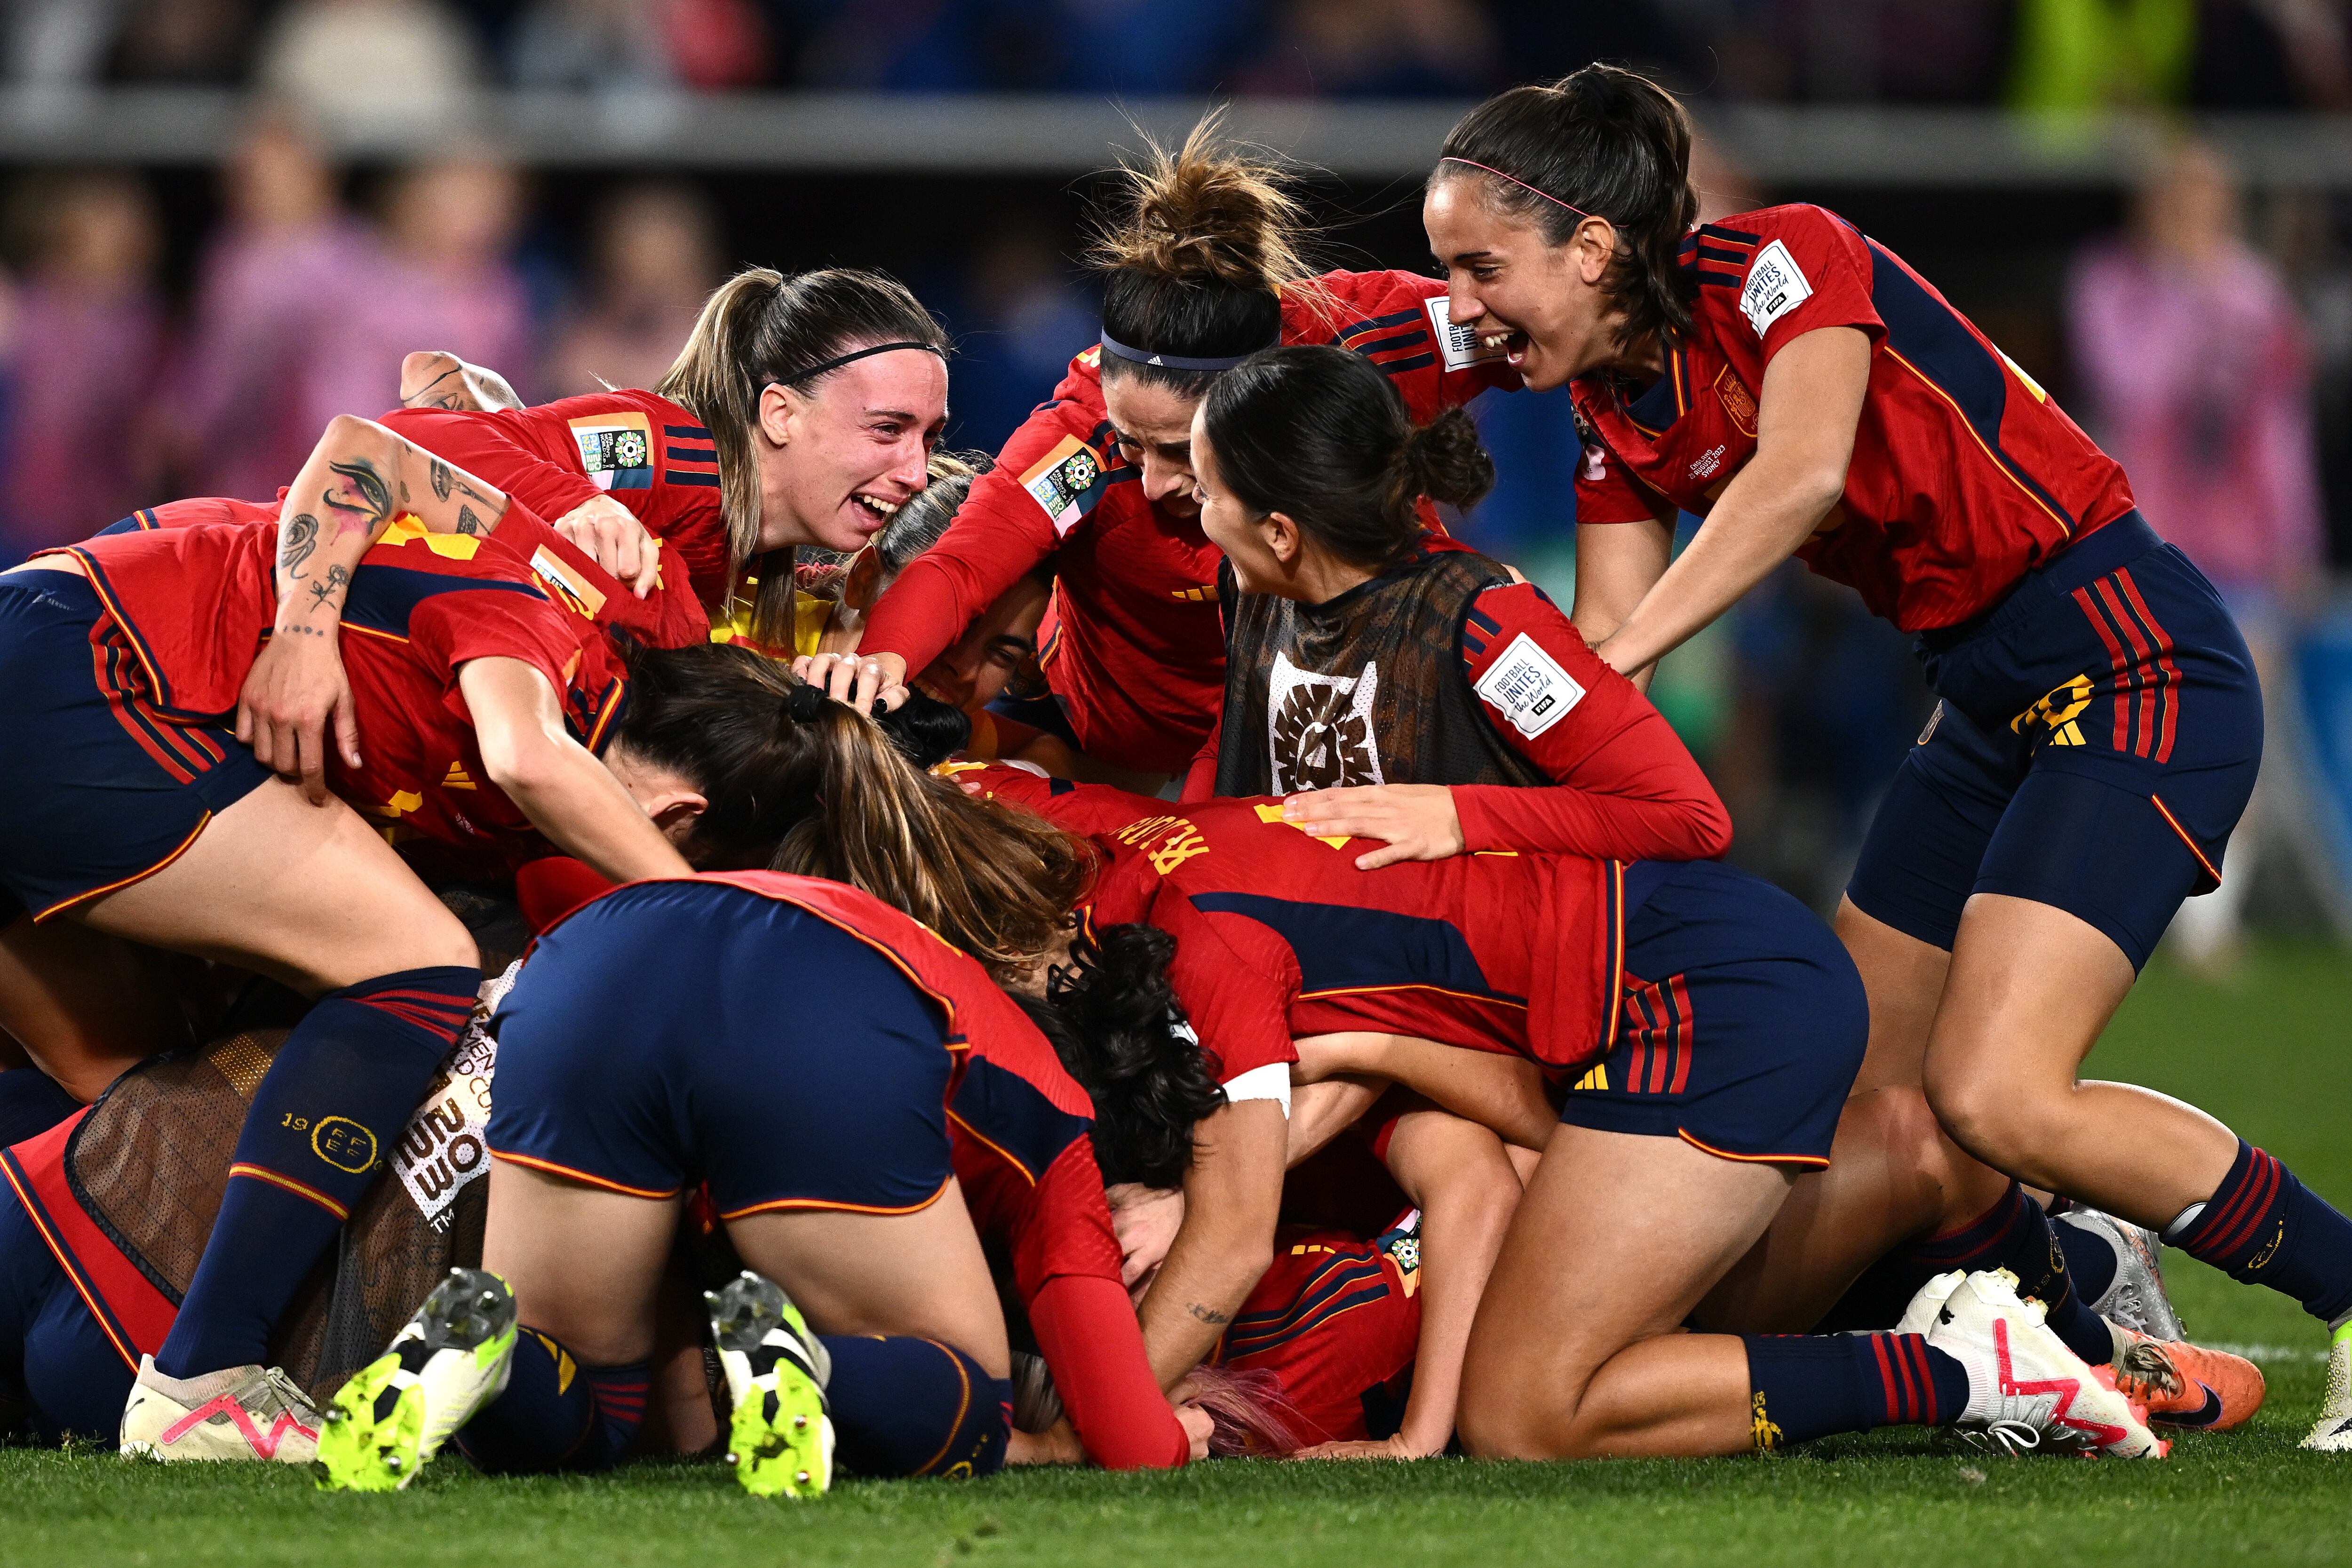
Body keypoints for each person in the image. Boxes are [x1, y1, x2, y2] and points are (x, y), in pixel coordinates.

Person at [1418, 65, 2352, 1451]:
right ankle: (2082, 1303)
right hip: (1984, 695)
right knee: (1847, 1098)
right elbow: (1607, 658)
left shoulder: (1783, 257)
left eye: (1478, 265)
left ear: (1593, 246)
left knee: (1995, 1091)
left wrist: (1597, 664)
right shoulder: (1610, 406)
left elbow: (1795, 471)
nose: (1458, 307)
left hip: (2132, 655)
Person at [955, 762, 2167, 1458]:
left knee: (1533, 1413)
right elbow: (1452, 1125)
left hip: (1691, 998)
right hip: (1668, 989)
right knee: (1676, 1309)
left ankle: (1966, 1368)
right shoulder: (1124, 852)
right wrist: (1361, 1059)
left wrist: (1083, 1442)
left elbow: (1235, 1232)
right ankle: (2037, 1254)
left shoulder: (1193, 958)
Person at [0, 415, 797, 1461]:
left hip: (66, 650)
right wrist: (709, 918)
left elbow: (449, 386)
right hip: (96, 664)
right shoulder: (569, 629)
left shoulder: (585, 591)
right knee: (415, 962)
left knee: (128, 1086)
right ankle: (204, 1375)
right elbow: (370, 452)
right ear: (684, 811)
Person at [317, 731, 1209, 1491]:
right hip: (815, 1001)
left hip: (597, 951)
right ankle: (817, 1371)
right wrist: (1089, 1441)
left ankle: (487, 1359)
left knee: (597, 1397)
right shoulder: (1059, 1120)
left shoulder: (909, 950)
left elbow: (680, 1412)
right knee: (971, 1393)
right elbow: (1133, 1443)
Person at [807, 114, 1521, 784]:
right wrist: (878, 663)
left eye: (1181, 450)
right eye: (1132, 444)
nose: (1152, 483)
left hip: (1325, 734)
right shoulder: (1079, 441)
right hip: (1108, 751)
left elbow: (1567, 326)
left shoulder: (1370, 337)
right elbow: (963, 565)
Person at [242, 268, 952, 792]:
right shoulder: (673, 450)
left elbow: (441, 383)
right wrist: (575, 500)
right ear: (779, 415)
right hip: (267, 644)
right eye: (888, 430)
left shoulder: (756, 561)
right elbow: (415, 436)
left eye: (929, 437)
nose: (916, 471)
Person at [1187, 342, 1731, 868]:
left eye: (1207, 493)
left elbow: (1686, 817)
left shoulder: (1489, 624)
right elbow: (1235, 740)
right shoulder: (1251, 592)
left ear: (1281, 534)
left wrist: (1460, 814)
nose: (1192, 503)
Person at [2068, 139, 2328, 970]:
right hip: (2144, 541)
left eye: (2208, 202)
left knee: (2238, 731)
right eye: (2178, 201)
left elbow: (2278, 429)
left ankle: (2210, 930)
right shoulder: (2111, 284)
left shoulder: (2256, 295)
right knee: (2134, 734)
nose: (2194, 219)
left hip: (2243, 548)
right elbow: (2130, 385)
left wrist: (2297, 540)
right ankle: (2114, 910)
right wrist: (2189, 299)